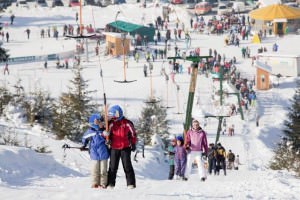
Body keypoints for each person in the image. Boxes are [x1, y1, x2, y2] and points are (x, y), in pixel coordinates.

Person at [107, 105, 137, 189]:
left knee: (127, 166)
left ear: (118, 114)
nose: (113, 117)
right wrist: (107, 138)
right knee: (112, 167)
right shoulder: (111, 124)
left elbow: (133, 134)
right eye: (112, 116)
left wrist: (133, 143)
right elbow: (107, 134)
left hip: (125, 147)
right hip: (114, 148)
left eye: (114, 115)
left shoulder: (127, 123)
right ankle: (110, 183)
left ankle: (131, 184)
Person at [81, 114, 110, 188]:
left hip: (103, 153)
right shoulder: (90, 131)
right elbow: (84, 138)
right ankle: (95, 183)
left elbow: (109, 139)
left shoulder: (104, 131)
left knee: (103, 170)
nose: (99, 123)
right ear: (93, 122)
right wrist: (84, 145)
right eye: (97, 122)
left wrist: (108, 140)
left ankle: (103, 183)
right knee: (95, 170)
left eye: (100, 122)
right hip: (94, 153)